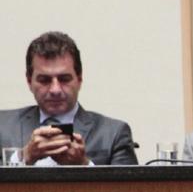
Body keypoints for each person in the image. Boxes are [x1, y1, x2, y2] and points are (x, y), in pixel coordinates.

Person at [0, 31, 138, 165]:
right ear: (29, 81)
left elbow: (131, 188)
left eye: (64, 79)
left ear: (79, 79)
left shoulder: (113, 134)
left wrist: (84, 165)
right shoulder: (3, 127)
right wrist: (22, 158)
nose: (55, 90)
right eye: (44, 80)